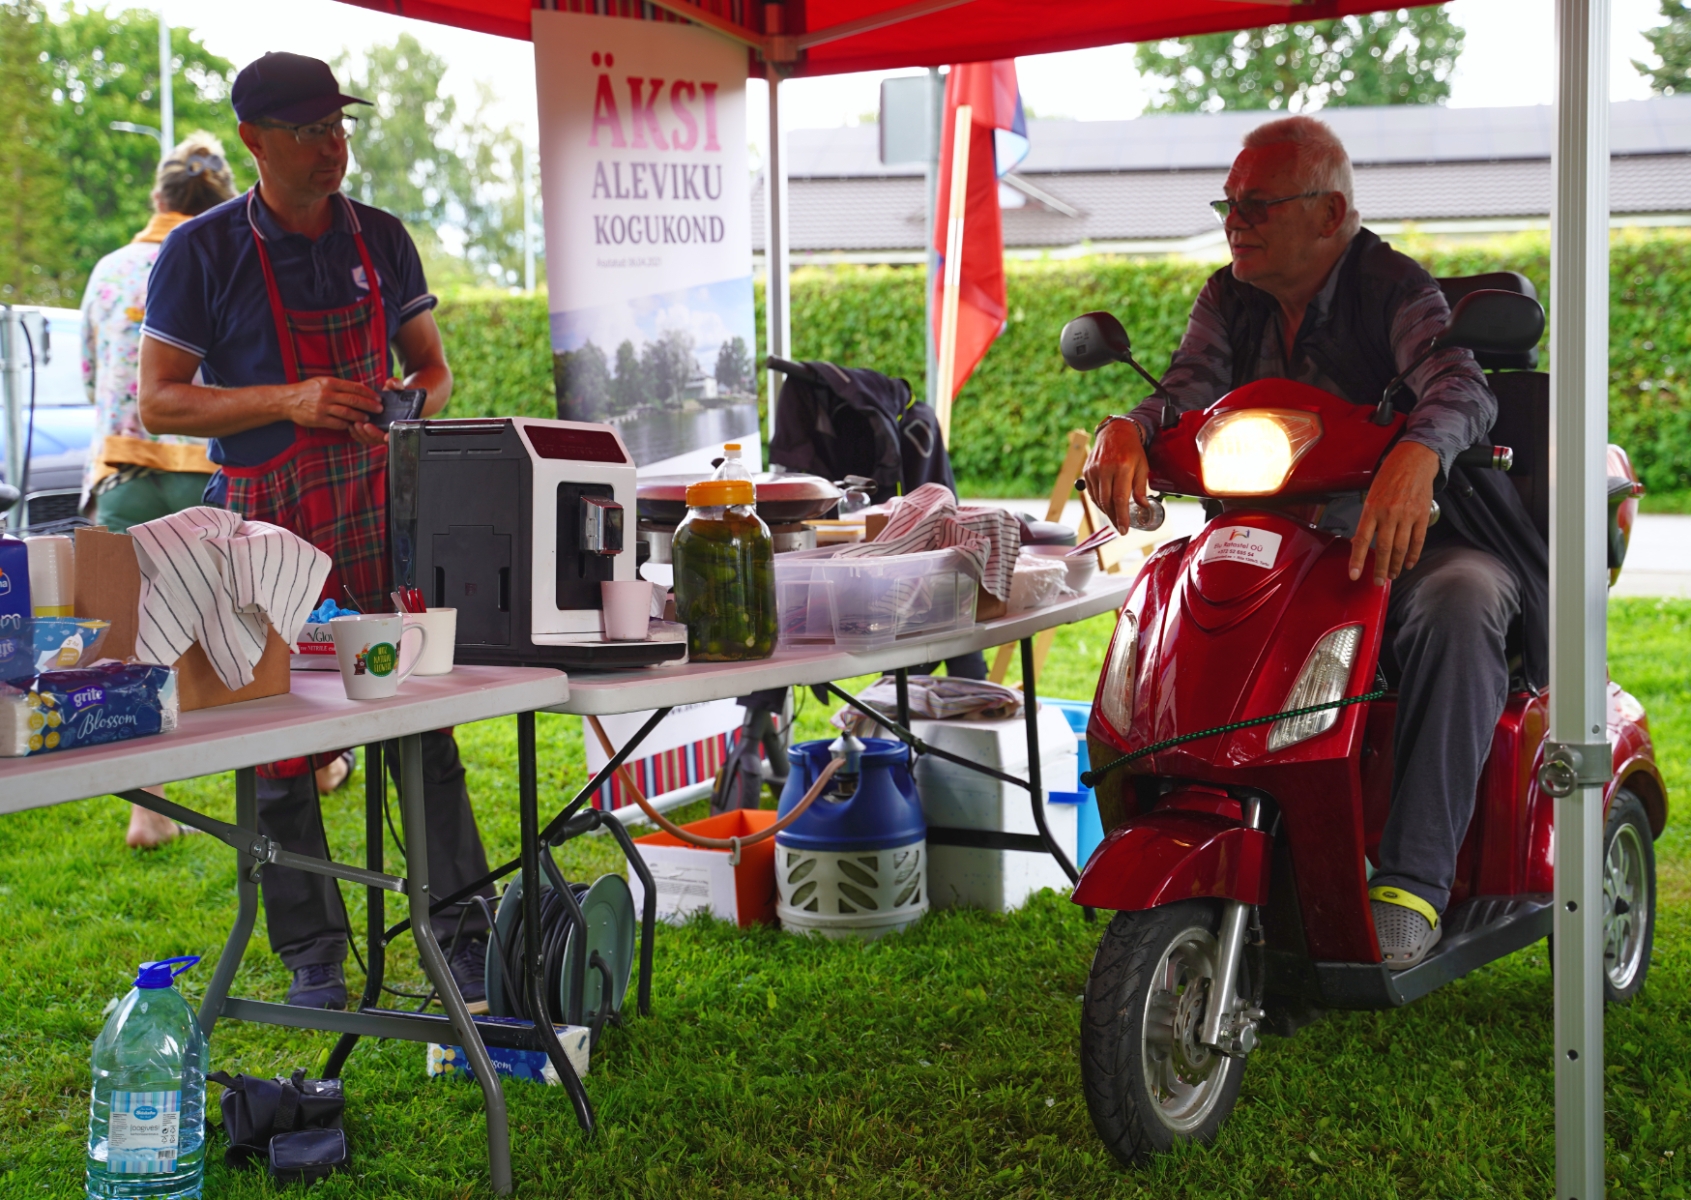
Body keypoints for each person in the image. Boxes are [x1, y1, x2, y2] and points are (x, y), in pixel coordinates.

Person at [1082, 115, 1546, 971]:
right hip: (1281, 539)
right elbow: (1185, 391)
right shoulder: (1228, 296)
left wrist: (1417, 452)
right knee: (1170, 586)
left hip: (1412, 540)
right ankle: (1193, 813)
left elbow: (1459, 384)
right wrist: (1126, 426)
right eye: (1228, 203)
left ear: (1329, 212)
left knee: (1462, 599)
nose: (1235, 221)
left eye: (1257, 204)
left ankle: (1414, 879)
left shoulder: (1393, 286)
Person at [136, 52, 494, 1011]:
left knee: (420, 720)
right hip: (263, 519)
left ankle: (464, 935)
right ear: (253, 140)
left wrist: (406, 408)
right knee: (277, 743)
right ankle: (312, 958)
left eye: (338, 127)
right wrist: (289, 399)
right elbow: (160, 401)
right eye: (307, 132)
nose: (331, 147)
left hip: (380, 503)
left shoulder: (381, 237)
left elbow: (433, 371)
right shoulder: (201, 251)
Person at [78, 134, 238, 850]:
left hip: (124, 472)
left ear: (158, 195)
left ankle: (150, 809)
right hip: (209, 471)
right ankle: (311, 766)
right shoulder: (224, 260)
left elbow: (92, 373)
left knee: (131, 643)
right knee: (243, 633)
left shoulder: (110, 270)